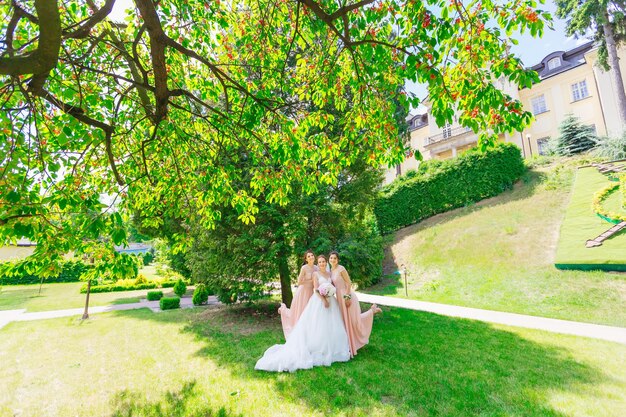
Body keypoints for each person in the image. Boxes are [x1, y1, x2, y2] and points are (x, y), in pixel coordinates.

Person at [255, 255, 350, 372]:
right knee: (317, 325)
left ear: (326, 263)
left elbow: (335, 286)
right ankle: (318, 348)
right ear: (318, 263)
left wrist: (332, 294)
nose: (322, 264)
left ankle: (333, 348)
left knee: (331, 325)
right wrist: (324, 299)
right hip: (319, 302)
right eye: (320, 262)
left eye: (324, 262)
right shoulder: (316, 274)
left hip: (331, 302)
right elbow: (316, 289)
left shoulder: (329, 274)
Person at [329, 251, 381, 357]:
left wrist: (347, 298)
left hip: (347, 296)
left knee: (354, 321)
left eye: (334, 258)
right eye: (331, 258)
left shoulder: (341, 269)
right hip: (339, 298)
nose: (332, 260)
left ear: (337, 260)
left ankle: (372, 311)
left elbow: (348, 283)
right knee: (346, 322)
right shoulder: (331, 270)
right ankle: (349, 345)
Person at [278, 250, 317, 338]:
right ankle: (299, 329)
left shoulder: (316, 268)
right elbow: (299, 282)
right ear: (306, 259)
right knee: (301, 310)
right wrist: (312, 280)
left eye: (312, 255)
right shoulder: (304, 268)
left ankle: (308, 330)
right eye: (309, 256)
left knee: (308, 311)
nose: (311, 257)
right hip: (303, 291)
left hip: (311, 292)